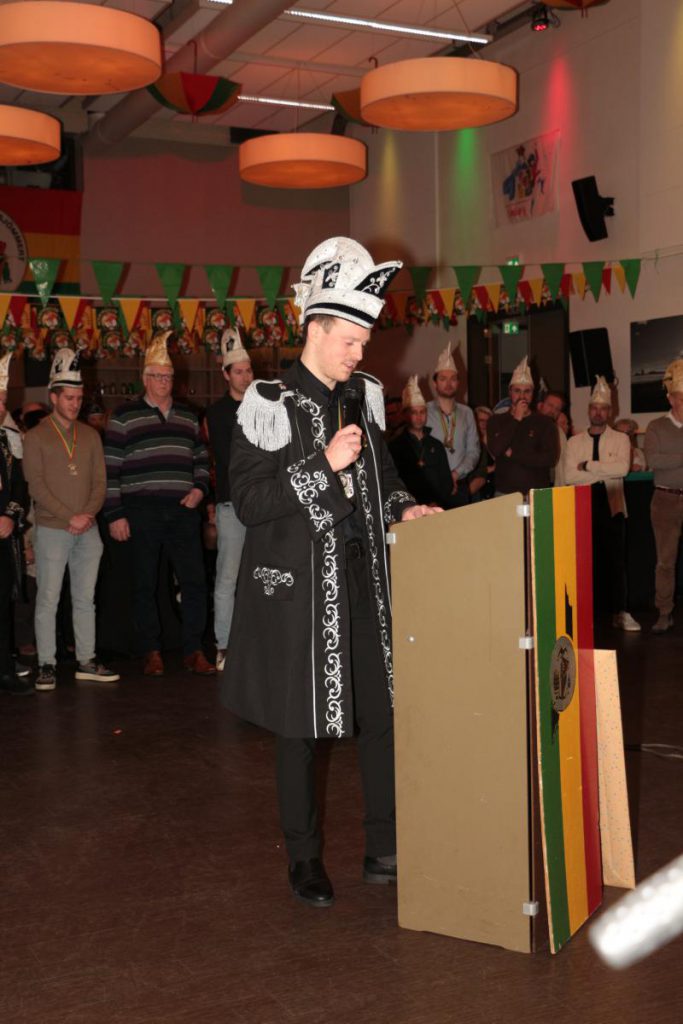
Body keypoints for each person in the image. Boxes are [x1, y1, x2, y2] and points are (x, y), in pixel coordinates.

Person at [222, 236, 439, 908]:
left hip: (362, 583)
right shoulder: (266, 402)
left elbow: (386, 480)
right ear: (316, 329)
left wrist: (405, 508)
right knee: (299, 729)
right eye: (350, 340)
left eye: (363, 342)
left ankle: (385, 848)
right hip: (298, 591)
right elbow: (250, 501)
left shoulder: (363, 398)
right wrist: (323, 467)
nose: (359, 354)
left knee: (381, 714)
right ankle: (304, 858)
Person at [103, 331, 214, 676]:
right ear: (145, 378)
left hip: (183, 510)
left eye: (168, 376)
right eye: (157, 376)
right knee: (145, 583)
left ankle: (194, 649)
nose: (164, 382)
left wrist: (200, 490)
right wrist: (115, 514)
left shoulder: (188, 416)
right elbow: (110, 469)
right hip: (141, 510)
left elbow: (202, 460)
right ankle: (150, 650)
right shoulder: (123, 416)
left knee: (194, 581)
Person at [22, 349, 118, 690]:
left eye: (79, 398)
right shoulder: (36, 436)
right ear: (54, 397)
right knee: (48, 598)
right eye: (69, 398)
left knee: (85, 598)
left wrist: (87, 515)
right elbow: (36, 486)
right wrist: (70, 517)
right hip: (52, 528)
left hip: (87, 529)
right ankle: (46, 664)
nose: (76, 404)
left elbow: (100, 483)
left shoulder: (90, 435)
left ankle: (86, 660)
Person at [564, 376, 639, 631]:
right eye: (594, 408)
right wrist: (603, 470)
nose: (598, 412)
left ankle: (621, 612)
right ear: (588, 410)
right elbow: (569, 476)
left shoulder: (621, 439)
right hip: (582, 505)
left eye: (603, 408)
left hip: (612, 504)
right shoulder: (574, 442)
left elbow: (622, 469)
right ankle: (587, 615)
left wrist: (588, 466)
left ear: (610, 412)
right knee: (585, 562)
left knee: (616, 563)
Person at [205, 327, 254, 672]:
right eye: (239, 371)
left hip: (262, 504)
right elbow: (229, 457)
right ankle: (224, 645)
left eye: (249, 370)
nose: (246, 377)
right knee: (228, 577)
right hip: (232, 504)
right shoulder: (217, 412)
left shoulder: (265, 406)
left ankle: (255, 643)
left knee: (261, 576)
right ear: (226, 374)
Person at [0, 354, 32, 696]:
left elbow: (21, 487)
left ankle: (4, 670)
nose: (0, 408)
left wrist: (10, 515)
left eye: (3, 401)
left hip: (3, 534)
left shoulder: (9, 440)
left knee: (2, 605)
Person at [644, 359, 683, 633]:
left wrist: (673, 458)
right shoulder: (656, 426)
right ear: (671, 399)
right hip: (665, 500)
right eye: (682, 398)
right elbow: (654, 460)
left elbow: (664, 459)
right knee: (665, 561)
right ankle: (664, 612)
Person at [486, 357, 558, 495]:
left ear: (533, 393)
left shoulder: (545, 423)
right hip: (505, 494)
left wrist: (514, 454)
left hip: (538, 494)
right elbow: (495, 449)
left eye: (527, 391)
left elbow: (549, 459)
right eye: (517, 391)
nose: (522, 396)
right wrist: (516, 419)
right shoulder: (496, 421)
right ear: (510, 392)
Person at [426, 343, 479, 507]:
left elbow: (473, 451)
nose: (448, 383)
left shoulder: (467, 413)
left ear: (458, 382)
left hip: (460, 485)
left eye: (453, 379)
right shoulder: (424, 412)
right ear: (435, 383)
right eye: (443, 379)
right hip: (431, 487)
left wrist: (455, 474)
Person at [389, 375, 454, 507]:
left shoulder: (436, 445)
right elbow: (394, 481)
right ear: (405, 415)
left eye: (422, 412)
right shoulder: (395, 446)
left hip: (437, 507)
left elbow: (446, 481)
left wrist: (437, 502)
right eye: (414, 412)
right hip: (409, 508)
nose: (419, 417)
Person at [537, 389, 568, 486]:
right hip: (530, 483)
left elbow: (562, 463)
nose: (552, 411)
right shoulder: (529, 426)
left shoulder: (559, 433)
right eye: (550, 405)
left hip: (552, 485)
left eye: (557, 409)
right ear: (540, 405)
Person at [469, 405, 495, 501]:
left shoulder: (496, 441)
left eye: (488, 421)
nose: (485, 424)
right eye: (481, 420)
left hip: (493, 493)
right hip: (476, 494)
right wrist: (491, 469)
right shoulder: (470, 443)